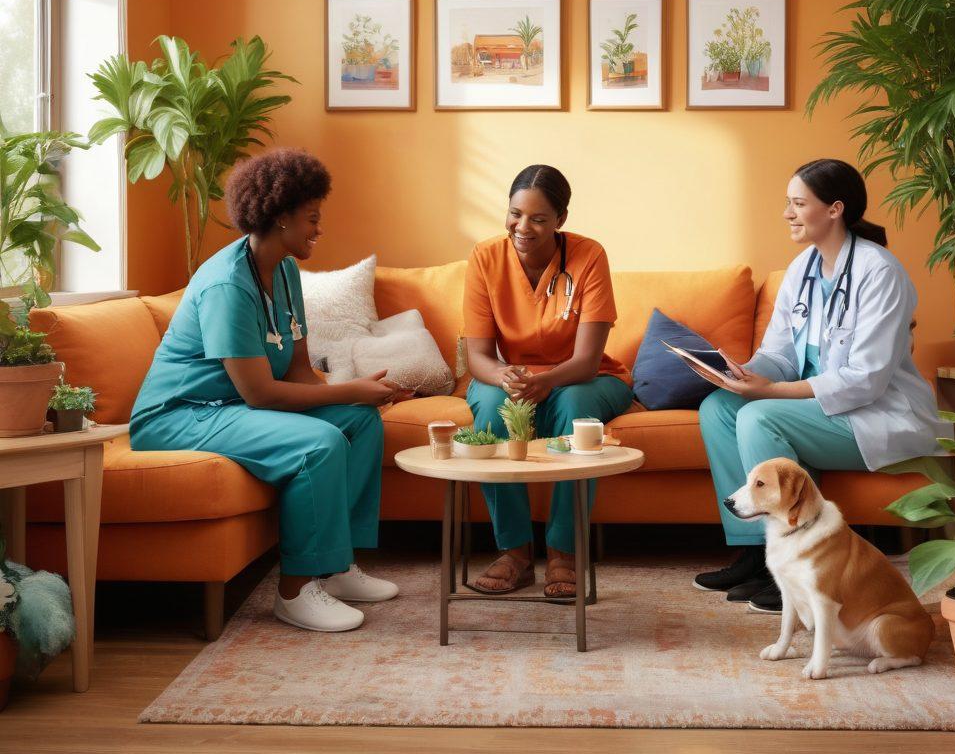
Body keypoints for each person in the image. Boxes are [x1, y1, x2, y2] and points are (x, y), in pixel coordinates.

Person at [130, 149, 407, 632]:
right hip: (182, 415)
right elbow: (261, 394)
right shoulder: (226, 285)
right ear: (281, 217)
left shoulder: (284, 270)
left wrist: (356, 396)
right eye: (312, 218)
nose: (319, 229)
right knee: (317, 445)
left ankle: (336, 566)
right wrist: (349, 389)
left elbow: (298, 371)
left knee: (359, 422)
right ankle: (295, 592)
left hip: (232, 407)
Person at [695, 158, 948, 613]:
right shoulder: (803, 268)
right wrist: (739, 375)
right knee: (718, 408)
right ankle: (755, 554)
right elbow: (781, 356)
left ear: (834, 209)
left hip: (876, 414)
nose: (787, 213)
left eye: (798, 204)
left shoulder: (880, 272)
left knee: (759, 416)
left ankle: (802, 563)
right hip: (828, 410)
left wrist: (767, 392)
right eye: (788, 203)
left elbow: (864, 380)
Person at [463, 164, 634, 598]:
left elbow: (587, 361)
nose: (523, 227)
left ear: (561, 219)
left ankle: (564, 553)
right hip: (513, 377)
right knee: (492, 408)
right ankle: (514, 553)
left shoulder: (589, 255)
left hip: (584, 378)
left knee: (575, 409)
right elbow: (478, 356)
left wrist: (546, 382)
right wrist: (503, 375)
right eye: (515, 214)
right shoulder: (485, 257)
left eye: (538, 219)